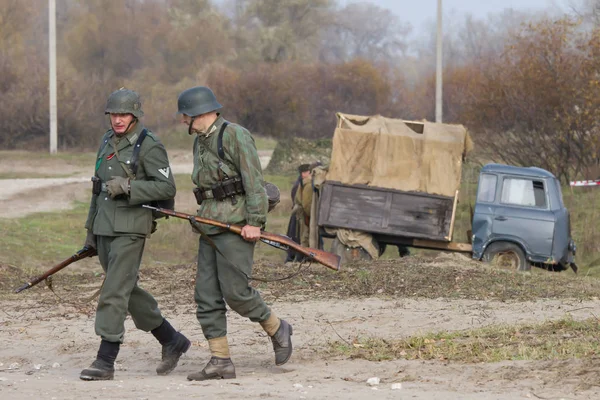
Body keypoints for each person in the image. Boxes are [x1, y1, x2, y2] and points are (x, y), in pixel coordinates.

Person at [176, 86, 293, 381]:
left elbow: (254, 182)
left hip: (236, 226)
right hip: (210, 226)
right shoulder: (200, 142)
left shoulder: (234, 134)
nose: (182, 121)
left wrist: (255, 221)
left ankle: (277, 327)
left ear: (200, 113)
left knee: (236, 293)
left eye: (185, 115)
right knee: (206, 296)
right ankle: (220, 360)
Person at [80, 88, 190, 381]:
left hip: (131, 227)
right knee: (126, 290)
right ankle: (171, 339)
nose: (117, 119)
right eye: (113, 114)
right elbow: (97, 189)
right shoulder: (106, 141)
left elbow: (167, 188)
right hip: (105, 227)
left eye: (123, 114)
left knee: (114, 291)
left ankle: (105, 360)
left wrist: (130, 188)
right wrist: (91, 230)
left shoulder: (149, 144)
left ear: (135, 115)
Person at [285, 164, 310, 262]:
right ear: (303, 173)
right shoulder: (299, 185)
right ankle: (292, 258)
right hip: (299, 215)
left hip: (301, 214)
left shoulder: (303, 184)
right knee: (295, 238)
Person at [294, 163, 314, 248]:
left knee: (305, 236)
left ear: (309, 172)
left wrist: (309, 215)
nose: (302, 174)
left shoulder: (308, 184)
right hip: (304, 213)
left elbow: (306, 204)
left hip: (306, 213)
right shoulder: (306, 183)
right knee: (305, 236)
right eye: (302, 172)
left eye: (305, 172)